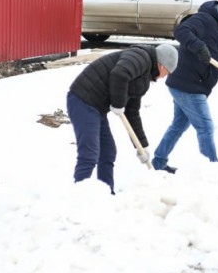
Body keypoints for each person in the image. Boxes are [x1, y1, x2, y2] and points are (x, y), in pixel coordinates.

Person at [151, 0, 218, 172]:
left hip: (190, 84)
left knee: (178, 126)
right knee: (205, 127)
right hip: (188, 85)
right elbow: (181, 30)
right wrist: (199, 46)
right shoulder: (205, 19)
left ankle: (158, 162)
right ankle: (211, 171)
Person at [67, 44, 177, 194]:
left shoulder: (144, 77)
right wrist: (118, 103)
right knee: (89, 154)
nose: (165, 76)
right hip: (83, 99)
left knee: (108, 152)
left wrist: (141, 146)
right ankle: (78, 197)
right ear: (162, 65)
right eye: (168, 72)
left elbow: (132, 112)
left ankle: (106, 193)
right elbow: (119, 74)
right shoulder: (141, 57)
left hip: (96, 107)